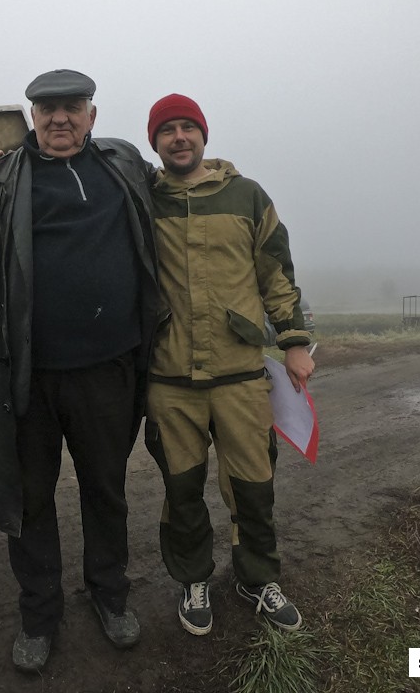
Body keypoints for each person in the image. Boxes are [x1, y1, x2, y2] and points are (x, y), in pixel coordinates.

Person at [0, 69, 158, 673]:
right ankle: (39, 616)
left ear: (93, 114)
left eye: (72, 107)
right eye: (47, 109)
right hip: (25, 379)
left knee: (106, 490)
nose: (59, 118)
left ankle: (110, 597)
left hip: (108, 370)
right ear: (30, 116)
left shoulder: (124, 165)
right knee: (30, 501)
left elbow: (180, 189)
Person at [142, 93, 314, 636]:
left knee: (253, 486)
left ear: (204, 135)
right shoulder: (142, 199)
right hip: (170, 378)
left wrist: (294, 341)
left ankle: (257, 579)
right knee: (182, 489)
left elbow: (276, 273)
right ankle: (193, 580)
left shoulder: (247, 196)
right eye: (167, 130)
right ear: (155, 142)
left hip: (239, 374)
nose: (179, 138)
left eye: (188, 127)